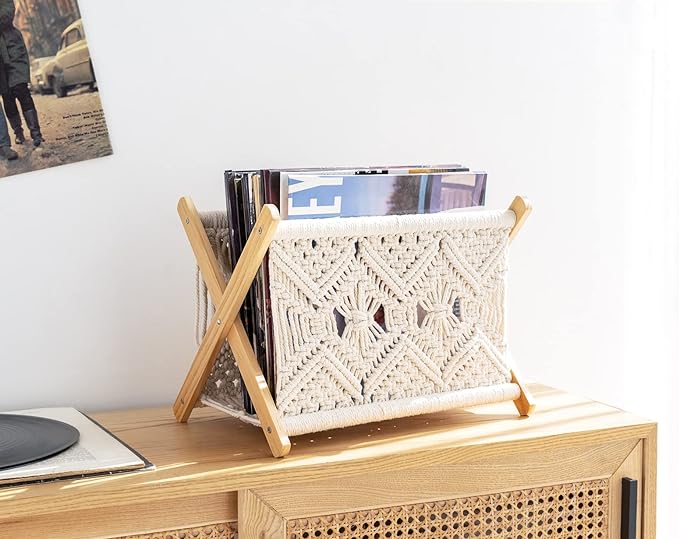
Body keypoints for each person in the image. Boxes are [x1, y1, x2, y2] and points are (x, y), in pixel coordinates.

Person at [0, 0, 44, 148]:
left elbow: (6, 14)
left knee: (21, 90)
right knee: (7, 96)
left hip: (12, 47)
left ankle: (36, 133)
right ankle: (18, 133)